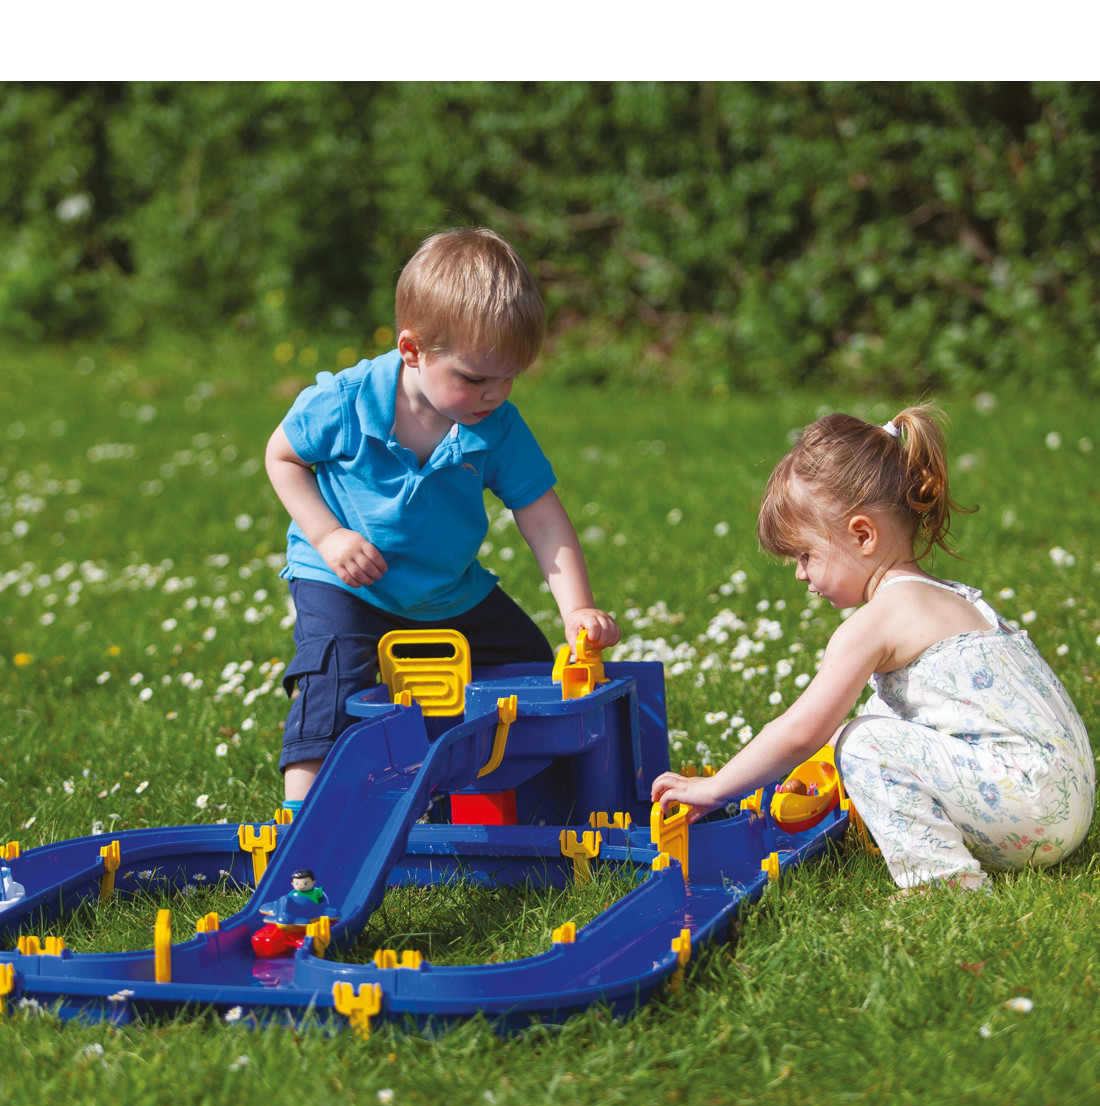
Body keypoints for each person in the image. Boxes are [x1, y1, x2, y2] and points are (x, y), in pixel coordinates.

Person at [651, 406, 1095, 894]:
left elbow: (801, 731)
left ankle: (943, 884)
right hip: (1064, 800)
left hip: (1031, 810)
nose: (800, 574)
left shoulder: (876, 622)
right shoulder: (947, 598)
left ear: (862, 535)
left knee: (863, 742)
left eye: (805, 555)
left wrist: (713, 788)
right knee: (870, 722)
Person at [266, 227, 620, 811]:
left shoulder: (496, 426)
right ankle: (302, 829)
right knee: (330, 686)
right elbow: (282, 457)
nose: (495, 394)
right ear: (412, 351)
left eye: (509, 377)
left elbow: (542, 518)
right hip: (346, 583)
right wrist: (328, 536)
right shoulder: (346, 402)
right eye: (476, 379)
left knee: (532, 670)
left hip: (447, 592)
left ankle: (511, 800)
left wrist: (576, 609)